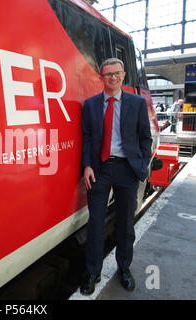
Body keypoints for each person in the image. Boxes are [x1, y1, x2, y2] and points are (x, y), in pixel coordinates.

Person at [80, 58, 152, 295]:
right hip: (99, 170)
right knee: (95, 223)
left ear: (123, 76)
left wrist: (140, 163)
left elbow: (145, 138)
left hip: (126, 170)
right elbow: (88, 139)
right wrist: (87, 166)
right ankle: (93, 271)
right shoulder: (90, 105)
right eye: (107, 74)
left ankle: (124, 268)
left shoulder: (137, 103)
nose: (112, 77)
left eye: (116, 73)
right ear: (101, 77)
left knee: (124, 223)